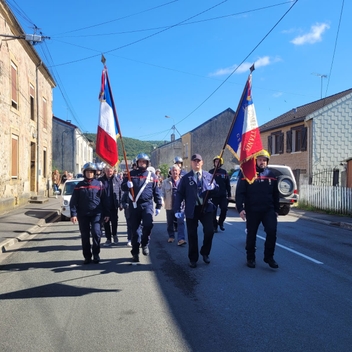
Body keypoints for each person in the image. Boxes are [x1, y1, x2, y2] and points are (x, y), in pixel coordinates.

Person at [235, 149, 280, 269]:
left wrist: (276, 209)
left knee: (272, 232)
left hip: (268, 210)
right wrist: (240, 208)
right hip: (252, 210)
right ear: (255, 161)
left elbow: (276, 194)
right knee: (251, 234)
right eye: (260, 160)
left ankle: (269, 257)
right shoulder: (247, 174)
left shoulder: (272, 175)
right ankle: (250, 258)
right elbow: (240, 192)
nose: (262, 162)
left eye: (264, 160)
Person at [174, 153, 219, 268]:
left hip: (206, 208)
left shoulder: (209, 176)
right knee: (192, 234)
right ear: (191, 163)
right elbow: (179, 194)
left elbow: (217, 189)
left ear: (202, 162)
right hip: (192, 209)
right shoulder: (185, 178)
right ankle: (193, 258)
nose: (197, 163)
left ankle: (205, 252)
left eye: (199, 161)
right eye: (194, 161)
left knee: (209, 231)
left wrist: (213, 187)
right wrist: (177, 208)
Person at [121, 153, 163, 263]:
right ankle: (135, 252)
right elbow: (123, 187)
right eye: (140, 162)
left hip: (147, 204)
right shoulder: (130, 174)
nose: (142, 163)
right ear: (137, 163)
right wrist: (127, 185)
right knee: (135, 231)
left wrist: (158, 205)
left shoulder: (152, 176)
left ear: (147, 163)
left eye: (144, 162)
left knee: (148, 225)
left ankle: (145, 244)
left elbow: (156, 191)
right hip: (134, 205)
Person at [70, 162, 110, 264]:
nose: (89, 174)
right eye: (88, 172)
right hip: (83, 214)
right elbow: (74, 201)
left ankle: (96, 254)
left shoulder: (99, 184)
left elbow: (105, 200)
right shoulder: (79, 186)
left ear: (95, 173)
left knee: (96, 233)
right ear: (84, 173)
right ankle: (87, 256)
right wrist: (73, 214)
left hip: (97, 214)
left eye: (92, 172)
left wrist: (107, 213)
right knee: (85, 236)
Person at [161, 164, 187, 246]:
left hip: (180, 206)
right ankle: (171, 236)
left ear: (179, 172)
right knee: (170, 222)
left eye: (176, 170)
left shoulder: (183, 181)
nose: (175, 172)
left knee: (181, 222)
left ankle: (181, 239)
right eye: (173, 170)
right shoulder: (165, 182)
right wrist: (161, 200)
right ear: (170, 172)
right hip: (169, 205)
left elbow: (187, 193)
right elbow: (161, 193)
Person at [99, 164, 122, 246]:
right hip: (104, 205)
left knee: (114, 221)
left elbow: (120, 191)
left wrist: (120, 203)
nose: (109, 172)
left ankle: (115, 235)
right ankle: (108, 238)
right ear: (105, 171)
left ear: (113, 171)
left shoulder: (117, 180)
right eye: (108, 171)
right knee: (106, 222)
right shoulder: (100, 180)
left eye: (111, 171)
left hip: (113, 204)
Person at [209, 156, 231, 232]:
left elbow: (228, 184)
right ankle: (214, 226)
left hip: (222, 196)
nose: (217, 163)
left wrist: (229, 195)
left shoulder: (224, 172)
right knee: (213, 212)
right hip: (213, 196)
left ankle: (220, 222)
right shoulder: (211, 172)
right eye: (216, 161)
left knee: (224, 209)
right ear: (214, 163)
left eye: (219, 161)